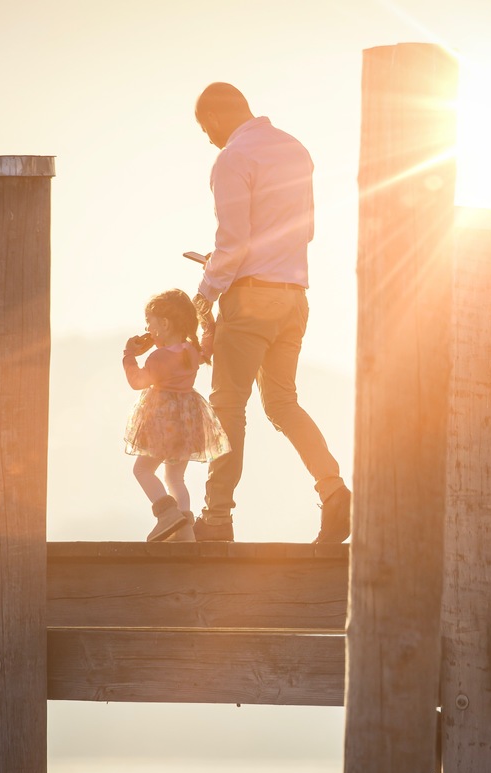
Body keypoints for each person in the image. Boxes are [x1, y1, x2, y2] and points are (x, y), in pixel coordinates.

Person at [189, 82, 351, 544]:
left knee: (226, 408)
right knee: (282, 404)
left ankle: (217, 519)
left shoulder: (232, 158)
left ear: (217, 118)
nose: (208, 138)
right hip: (294, 297)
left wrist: (205, 292)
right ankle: (334, 492)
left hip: (250, 299)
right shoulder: (295, 149)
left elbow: (234, 241)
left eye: (206, 128)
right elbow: (306, 230)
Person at [123, 288, 230, 542]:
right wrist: (207, 320)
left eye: (149, 322)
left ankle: (166, 514)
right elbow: (208, 342)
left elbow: (138, 381)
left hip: (163, 421)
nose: (147, 328)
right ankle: (184, 532)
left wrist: (128, 355)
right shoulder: (191, 352)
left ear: (164, 323)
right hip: (188, 421)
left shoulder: (159, 357)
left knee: (142, 471)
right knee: (175, 477)